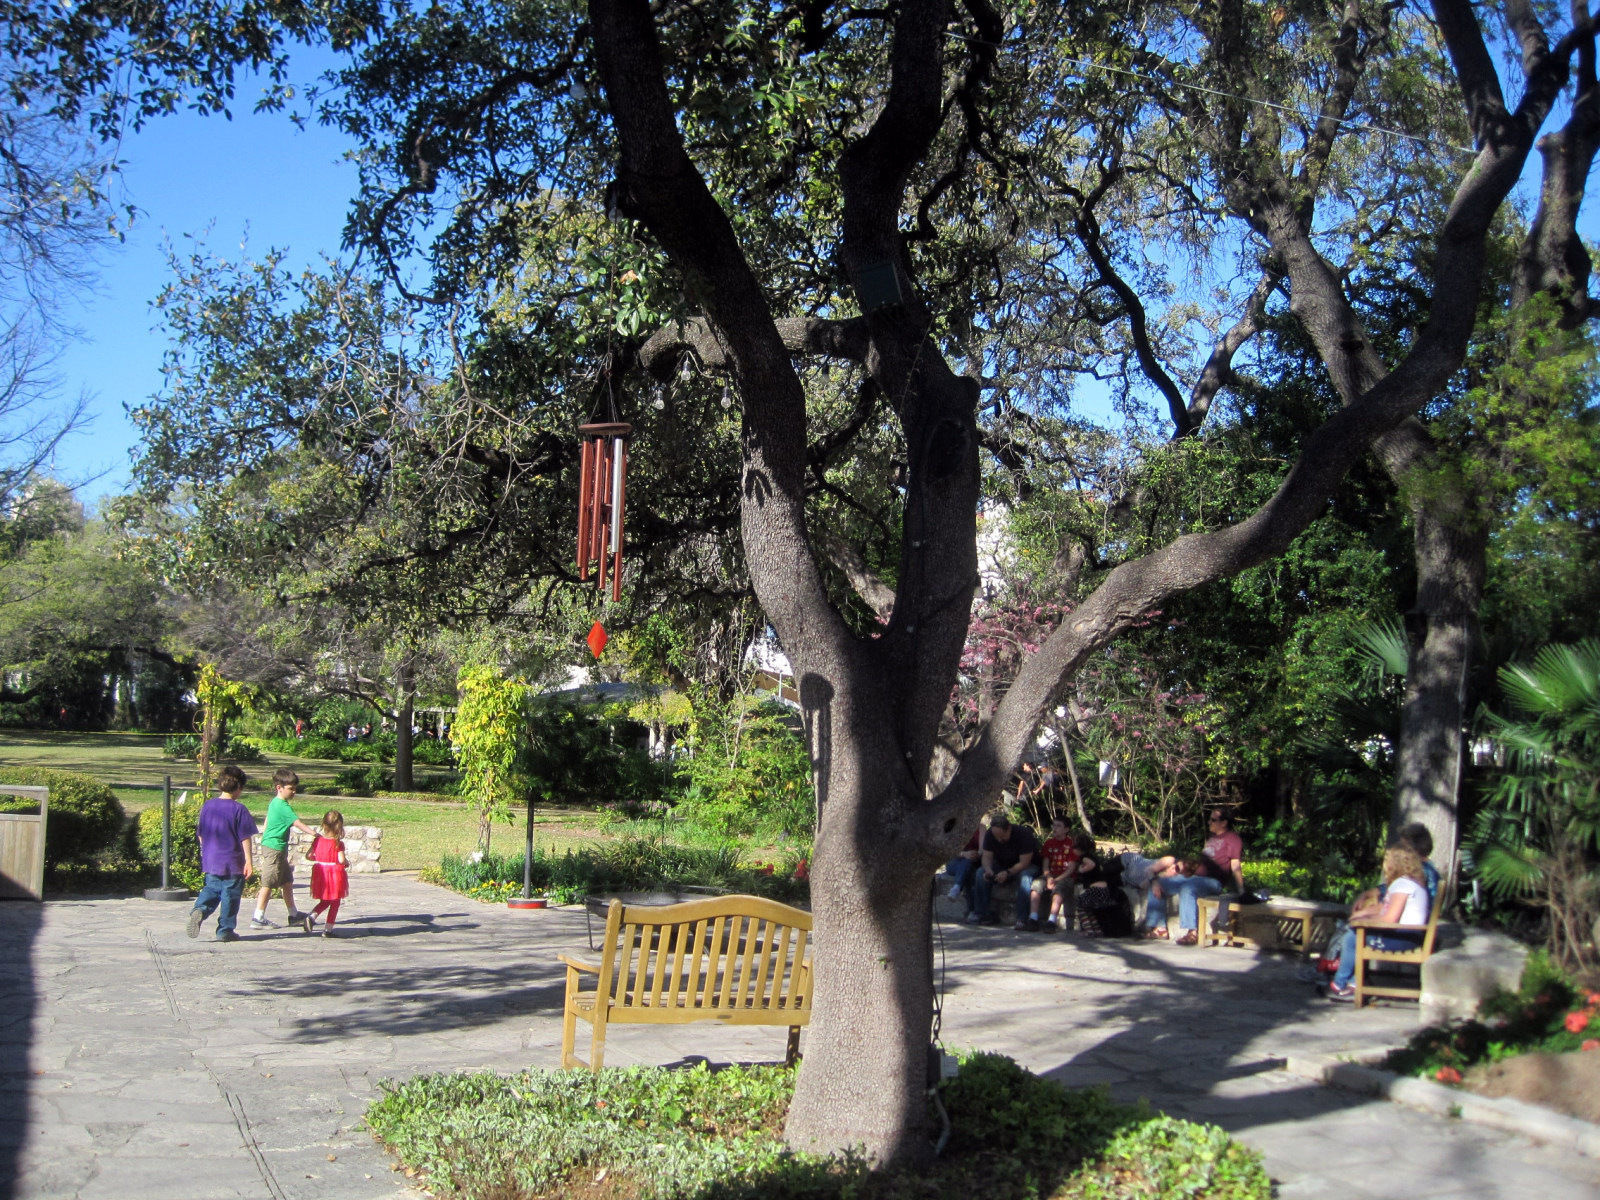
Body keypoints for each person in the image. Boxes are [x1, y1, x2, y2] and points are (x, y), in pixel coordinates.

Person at [1325, 845, 1431, 1001]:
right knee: (1356, 934)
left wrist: (1363, 923)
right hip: (1408, 936)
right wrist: (1363, 914)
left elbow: (1389, 919)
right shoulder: (1411, 882)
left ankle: (1340, 984)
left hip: (1403, 938)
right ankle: (1353, 983)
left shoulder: (1403, 885)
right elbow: (1384, 907)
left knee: (1352, 938)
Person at [1144, 808, 1244, 945]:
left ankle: (1192, 932)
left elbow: (1235, 864)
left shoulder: (1232, 839)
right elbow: (1201, 864)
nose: (1209, 822)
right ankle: (1160, 928)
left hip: (1213, 882)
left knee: (1188, 888)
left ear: (1224, 823)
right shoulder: (1212, 838)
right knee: (1159, 882)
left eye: (1213, 820)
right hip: (1194, 878)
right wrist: (1181, 869)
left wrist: (1241, 889)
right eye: (1210, 819)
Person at [186, 766, 258, 943]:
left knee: (212, 888)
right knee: (230, 895)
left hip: (212, 859)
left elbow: (201, 835)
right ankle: (225, 930)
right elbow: (245, 837)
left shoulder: (208, 806)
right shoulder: (239, 809)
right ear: (239, 787)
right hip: (233, 861)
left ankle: (200, 909)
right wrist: (249, 861)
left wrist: (207, 852)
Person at [250, 768, 316, 929]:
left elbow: (267, 820)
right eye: (291, 788)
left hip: (277, 848)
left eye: (295, 788)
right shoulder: (283, 806)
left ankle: (293, 915)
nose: (294, 792)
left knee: (287, 881)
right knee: (269, 882)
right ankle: (258, 917)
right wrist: (316, 835)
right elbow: (297, 823)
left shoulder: (274, 802)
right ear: (279, 788)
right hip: (275, 848)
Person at [970, 813, 1040, 929]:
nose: (999, 839)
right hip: (1002, 865)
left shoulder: (1023, 834)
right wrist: (988, 870)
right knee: (980, 873)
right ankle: (981, 913)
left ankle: (1022, 918)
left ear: (1009, 829)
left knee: (1025, 877)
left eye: (1002, 837)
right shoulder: (990, 835)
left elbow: (1024, 863)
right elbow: (987, 857)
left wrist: (1007, 873)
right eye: (996, 837)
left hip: (1025, 866)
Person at [303, 810, 351, 937]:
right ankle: (328, 929)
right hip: (334, 874)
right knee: (335, 901)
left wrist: (319, 858)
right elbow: (341, 859)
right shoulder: (337, 843)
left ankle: (311, 916)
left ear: (323, 824)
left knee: (325, 900)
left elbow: (308, 855)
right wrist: (347, 863)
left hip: (320, 873)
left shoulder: (318, 841)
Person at [1032, 817, 1080, 930]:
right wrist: (1048, 877)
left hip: (1066, 876)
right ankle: (1033, 918)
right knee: (1035, 885)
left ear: (1066, 829)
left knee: (1058, 890)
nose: (1054, 828)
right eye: (1053, 825)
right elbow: (1045, 865)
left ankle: (1051, 921)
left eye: (1058, 826)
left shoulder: (1071, 844)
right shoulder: (1049, 843)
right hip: (1051, 875)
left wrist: (1056, 880)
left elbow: (1071, 868)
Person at [946, 824, 983, 902]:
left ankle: (957, 887)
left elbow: (982, 850)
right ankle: (957, 887)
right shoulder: (956, 826)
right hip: (955, 862)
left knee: (968, 863)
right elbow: (949, 851)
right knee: (966, 864)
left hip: (973, 861)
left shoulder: (981, 828)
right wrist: (964, 854)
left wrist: (975, 854)